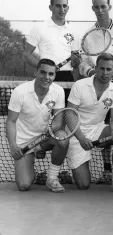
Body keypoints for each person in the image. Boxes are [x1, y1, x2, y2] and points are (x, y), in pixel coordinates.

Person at [66, 53, 113, 193]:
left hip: (97, 129)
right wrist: (81, 138)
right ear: (95, 68)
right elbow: (70, 115)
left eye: (109, 69)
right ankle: (74, 164)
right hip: (76, 133)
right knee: (83, 185)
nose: (105, 73)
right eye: (102, 68)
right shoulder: (79, 85)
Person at [6, 59, 69, 192]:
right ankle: (32, 168)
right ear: (35, 72)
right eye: (43, 72)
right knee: (24, 185)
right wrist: (13, 146)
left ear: (54, 76)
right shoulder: (20, 92)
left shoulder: (58, 91)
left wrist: (50, 132)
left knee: (63, 138)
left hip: (45, 138)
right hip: (24, 142)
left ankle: (51, 178)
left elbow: (58, 120)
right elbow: (11, 121)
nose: (47, 77)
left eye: (51, 74)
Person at [23, 0, 80, 82]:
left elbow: (75, 64)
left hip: (67, 76)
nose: (62, 9)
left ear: (68, 8)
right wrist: (45, 68)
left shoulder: (74, 31)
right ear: (50, 7)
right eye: (58, 6)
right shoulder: (39, 28)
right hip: (45, 76)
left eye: (64, 6)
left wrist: (76, 62)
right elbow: (26, 55)